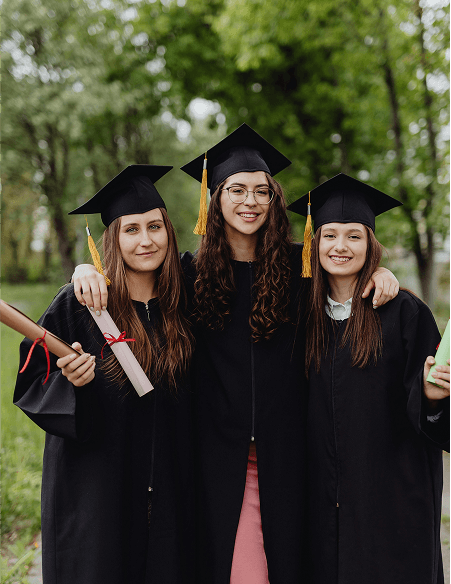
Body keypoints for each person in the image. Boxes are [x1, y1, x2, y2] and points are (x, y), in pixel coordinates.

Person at [72, 125, 400, 584]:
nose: (250, 201)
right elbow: (135, 285)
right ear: (216, 197)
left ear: (274, 198)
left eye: (262, 191)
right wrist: (86, 267)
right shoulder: (188, 274)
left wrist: (381, 273)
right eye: (237, 189)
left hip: (292, 451)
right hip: (213, 455)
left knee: (294, 561)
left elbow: (346, 282)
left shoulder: (301, 267)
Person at [14, 165, 196, 584]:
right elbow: (33, 379)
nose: (146, 240)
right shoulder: (82, 304)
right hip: (97, 488)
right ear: (112, 238)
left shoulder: (186, 294)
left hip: (171, 485)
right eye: (131, 229)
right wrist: (71, 379)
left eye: (155, 226)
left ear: (169, 230)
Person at [288, 173, 450, 584]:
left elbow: (436, 419)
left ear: (371, 244)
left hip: (392, 502)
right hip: (319, 503)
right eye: (329, 236)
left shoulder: (405, 314)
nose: (340, 247)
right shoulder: (298, 314)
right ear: (314, 243)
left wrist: (432, 397)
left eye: (354, 236)